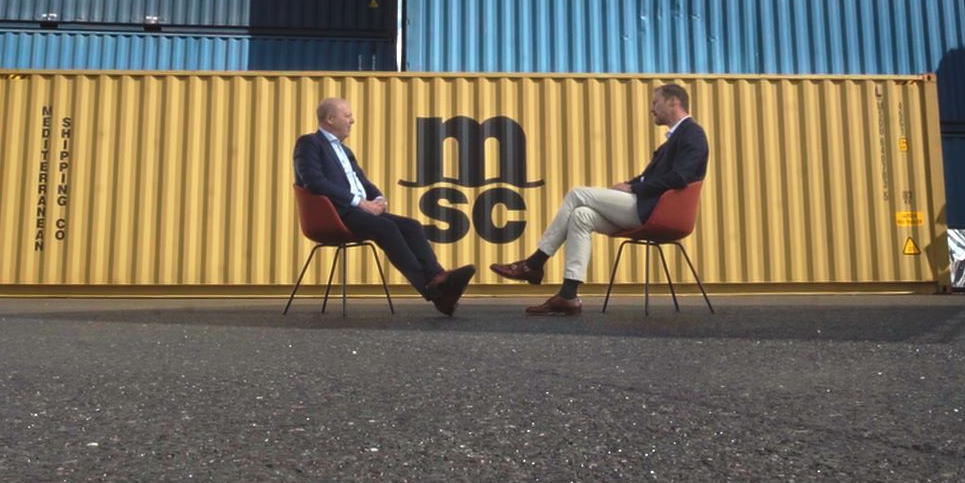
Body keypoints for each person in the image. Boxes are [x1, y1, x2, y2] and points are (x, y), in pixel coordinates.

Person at [491, 83, 708, 315]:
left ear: (673, 102)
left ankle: (534, 264)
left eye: (656, 102)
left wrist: (633, 188)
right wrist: (627, 185)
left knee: (577, 193)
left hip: (657, 211)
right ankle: (568, 296)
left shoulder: (692, 133)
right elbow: (649, 177)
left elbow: (679, 177)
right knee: (581, 215)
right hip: (647, 207)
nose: (652, 109)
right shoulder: (672, 140)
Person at [293, 97, 475, 315]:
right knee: (386, 228)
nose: (353, 121)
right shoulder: (309, 143)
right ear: (330, 119)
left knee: (411, 225)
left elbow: (363, 183)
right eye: (347, 116)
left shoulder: (345, 151)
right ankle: (433, 288)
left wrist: (378, 199)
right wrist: (360, 202)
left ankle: (437, 279)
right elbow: (314, 181)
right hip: (336, 213)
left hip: (359, 212)